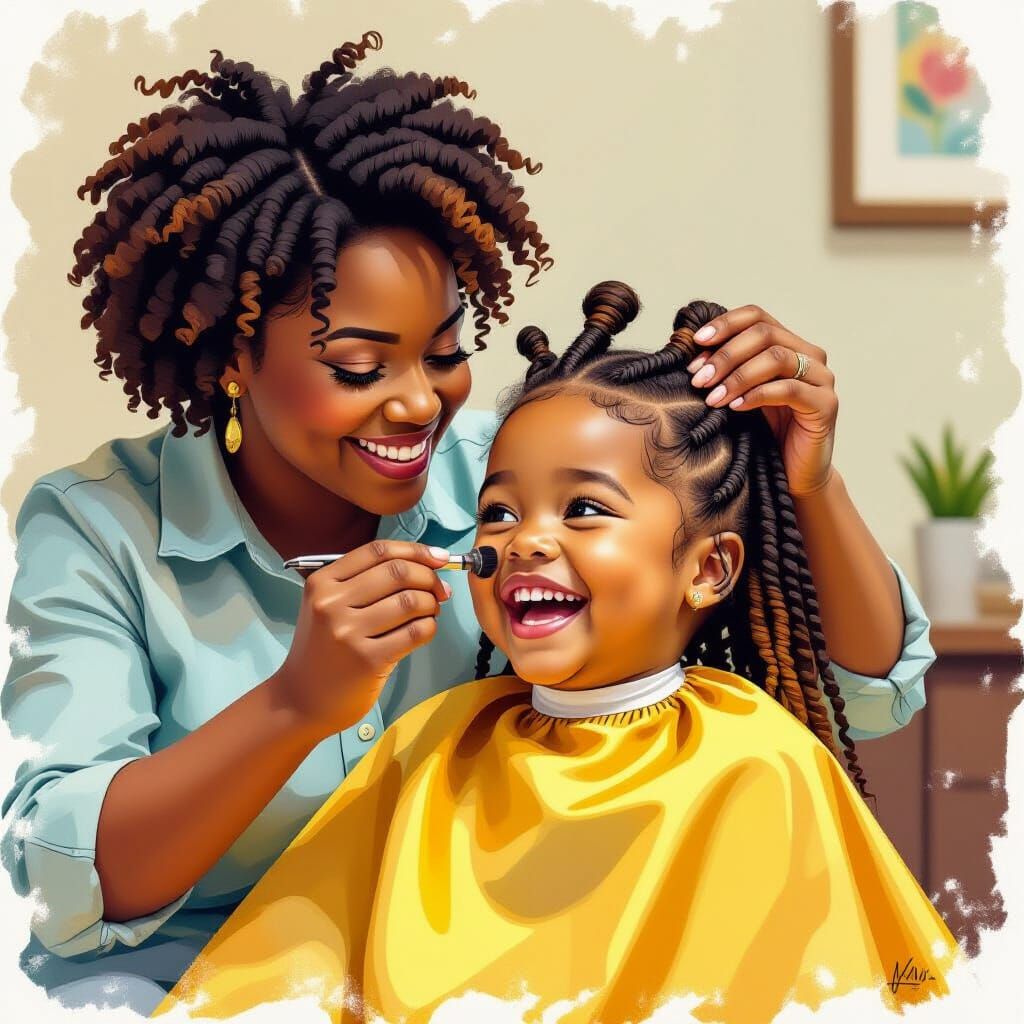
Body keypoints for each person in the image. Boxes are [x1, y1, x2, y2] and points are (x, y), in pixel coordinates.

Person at [1, 35, 932, 1017]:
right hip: (199, 972)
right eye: (360, 367)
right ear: (231, 355)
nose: (417, 405)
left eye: (444, 353)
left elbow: (868, 700)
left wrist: (810, 482)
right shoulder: (97, 525)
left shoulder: (511, 478)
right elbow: (63, 883)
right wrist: (295, 705)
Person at [152, 282, 957, 1024]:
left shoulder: (757, 768)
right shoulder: (430, 745)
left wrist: (813, 482)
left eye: (583, 508)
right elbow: (277, 978)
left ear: (708, 569)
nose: (526, 538)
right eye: (498, 512)